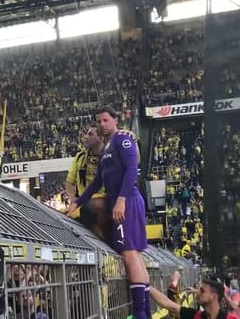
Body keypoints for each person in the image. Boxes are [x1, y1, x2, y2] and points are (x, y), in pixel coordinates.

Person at [67, 106, 149, 319]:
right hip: (121, 199)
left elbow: (132, 169)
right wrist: (77, 202)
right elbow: (96, 183)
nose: (101, 125)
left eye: (105, 120)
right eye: (98, 121)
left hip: (126, 200)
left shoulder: (122, 139)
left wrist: (121, 201)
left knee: (129, 254)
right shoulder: (107, 149)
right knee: (135, 254)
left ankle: (140, 312)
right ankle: (144, 311)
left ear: (115, 120)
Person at [65, 125, 109, 240]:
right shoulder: (80, 157)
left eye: (90, 134)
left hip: (104, 203)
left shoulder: (109, 156)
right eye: (86, 133)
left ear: (100, 137)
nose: (86, 137)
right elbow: (69, 183)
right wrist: (73, 200)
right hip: (84, 203)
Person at [150, 279, 239, 319]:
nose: (197, 292)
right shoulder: (194, 315)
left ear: (213, 296)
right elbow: (167, 303)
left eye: (202, 290)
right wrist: (145, 286)